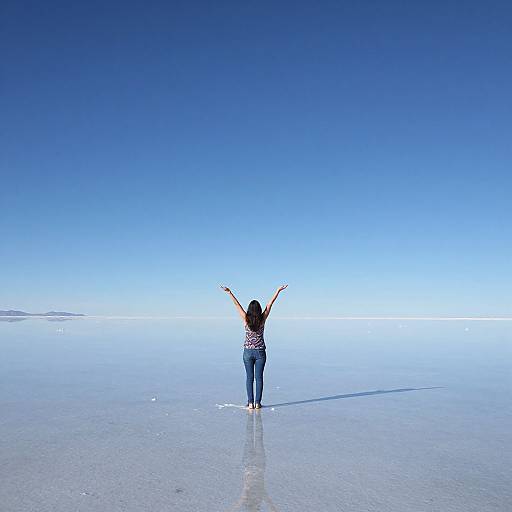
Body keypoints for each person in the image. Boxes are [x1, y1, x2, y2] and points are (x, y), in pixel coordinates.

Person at [220, 284, 288, 409]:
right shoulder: (262, 319)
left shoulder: (246, 318)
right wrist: (278, 291)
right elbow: (270, 305)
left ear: (249, 310)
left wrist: (229, 293)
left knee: (249, 378)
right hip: (260, 352)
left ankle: (250, 403)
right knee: (259, 378)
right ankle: (257, 403)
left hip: (247, 352)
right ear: (258, 309)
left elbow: (237, 305)